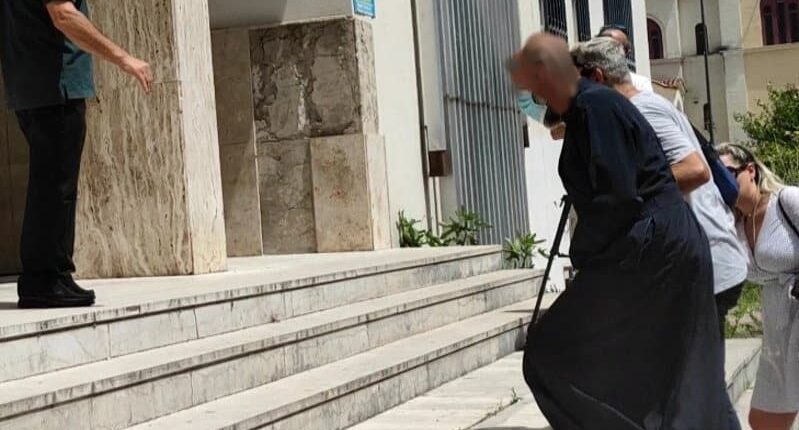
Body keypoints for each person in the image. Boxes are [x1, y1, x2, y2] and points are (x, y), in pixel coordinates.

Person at [508, 32, 729, 429]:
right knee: (669, 375)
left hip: (650, 246)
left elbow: (617, 196)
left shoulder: (593, 106)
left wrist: (586, 258)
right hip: (656, 244)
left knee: (550, 353)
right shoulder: (589, 108)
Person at [572, 37, 748, 429]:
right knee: (686, 389)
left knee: (694, 390)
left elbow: (694, 170)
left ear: (596, 77)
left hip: (700, 261)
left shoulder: (642, 110)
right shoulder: (639, 108)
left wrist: (627, 186)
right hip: (693, 262)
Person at [1, 0, 153, 308]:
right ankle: (46, 279)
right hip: (56, 88)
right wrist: (124, 58)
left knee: (49, 185)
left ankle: (47, 278)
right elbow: (64, 15)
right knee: (56, 187)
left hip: (32, 87)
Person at [717, 143, 799, 430]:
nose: (722, 183)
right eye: (716, 177)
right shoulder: (734, 224)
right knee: (764, 420)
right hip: (778, 327)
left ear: (750, 170)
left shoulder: (786, 201)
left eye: (727, 173)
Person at [597, 24, 654, 93]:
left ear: (627, 52)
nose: (609, 53)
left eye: (615, 48)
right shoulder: (586, 81)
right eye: (605, 46)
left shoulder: (640, 83)